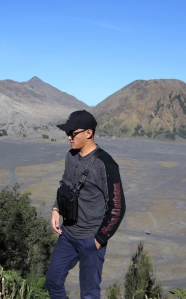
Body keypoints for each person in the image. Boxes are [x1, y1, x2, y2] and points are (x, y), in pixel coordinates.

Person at [45, 110, 126, 299]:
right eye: (67, 133)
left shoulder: (106, 164)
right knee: (52, 282)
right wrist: (56, 208)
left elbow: (117, 208)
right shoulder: (71, 156)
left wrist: (98, 240)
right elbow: (66, 185)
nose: (68, 137)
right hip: (68, 235)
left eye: (72, 133)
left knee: (89, 294)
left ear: (88, 133)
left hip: (91, 239)